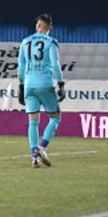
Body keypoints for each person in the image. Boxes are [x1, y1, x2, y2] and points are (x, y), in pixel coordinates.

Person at [18, 13, 66, 168]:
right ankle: (42, 147)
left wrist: (21, 87)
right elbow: (55, 65)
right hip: (44, 83)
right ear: (49, 28)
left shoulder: (25, 42)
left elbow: (21, 68)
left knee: (33, 121)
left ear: (38, 26)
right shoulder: (51, 42)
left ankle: (34, 157)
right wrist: (61, 84)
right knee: (55, 117)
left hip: (29, 85)